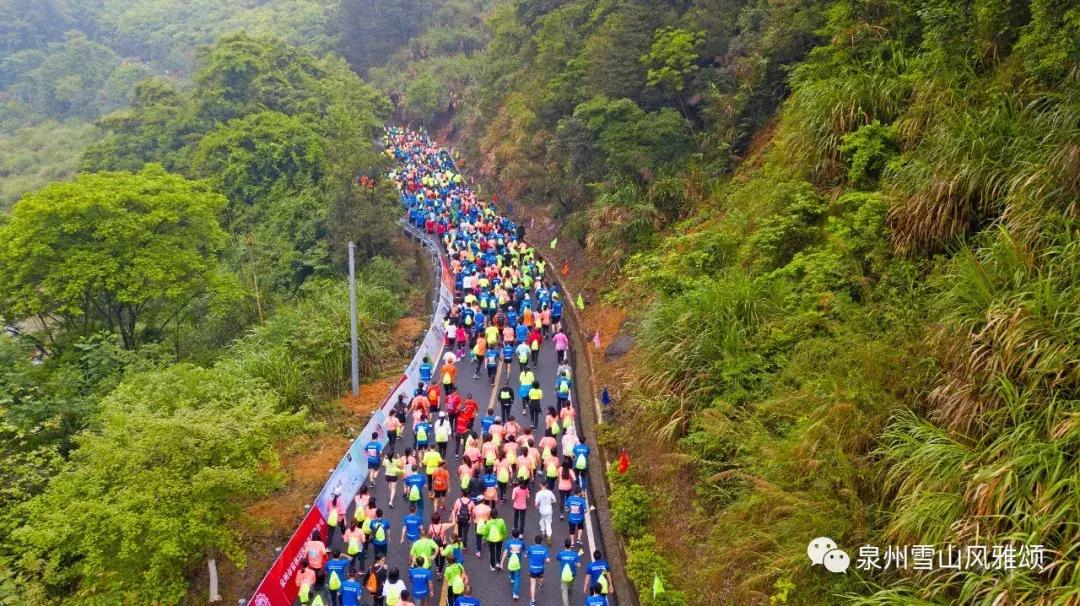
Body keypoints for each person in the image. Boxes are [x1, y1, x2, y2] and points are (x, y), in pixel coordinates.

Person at [556, 538, 581, 606]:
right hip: (573, 574)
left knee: (564, 591)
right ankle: (569, 589)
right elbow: (579, 565)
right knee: (571, 583)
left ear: (564, 545)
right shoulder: (575, 554)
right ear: (570, 545)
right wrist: (574, 562)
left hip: (563, 575)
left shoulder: (561, 554)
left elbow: (558, 559)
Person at [527, 534, 550, 606]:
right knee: (541, 578)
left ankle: (533, 601)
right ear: (541, 542)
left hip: (532, 569)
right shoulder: (544, 549)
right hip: (540, 569)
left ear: (535, 541)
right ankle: (541, 585)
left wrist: (528, 556)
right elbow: (548, 560)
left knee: (533, 585)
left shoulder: (531, 548)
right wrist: (547, 559)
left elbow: (526, 555)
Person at [503, 529, 526, 600]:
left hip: (510, 560)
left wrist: (501, 562)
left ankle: (512, 578)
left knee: (511, 569)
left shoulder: (509, 542)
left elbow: (505, 552)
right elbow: (524, 551)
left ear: (512, 535)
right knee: (518, 577)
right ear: (519, 535)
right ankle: (515, 593)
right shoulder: (521, 542)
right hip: (517, 562)